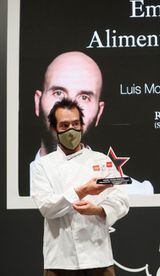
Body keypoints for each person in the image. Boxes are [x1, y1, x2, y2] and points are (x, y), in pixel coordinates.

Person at [31, 51, 153, 195]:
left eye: (84, 97)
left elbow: (130, 188)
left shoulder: (132, 190)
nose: (70, 109)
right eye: (58, 93)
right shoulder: (19, 180)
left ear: (99, 112)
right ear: (38, 102)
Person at [32, 99, 130, 275]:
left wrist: (99, 209)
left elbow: (121, 198)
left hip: (99, 258)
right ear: (54, 129)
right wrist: (82, 191)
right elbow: (47, 207)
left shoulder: (102, 161)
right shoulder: (42, 166)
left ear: (82, 125)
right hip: (60, 260)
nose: (71, 130)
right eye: (64, 125)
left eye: (76, 124)